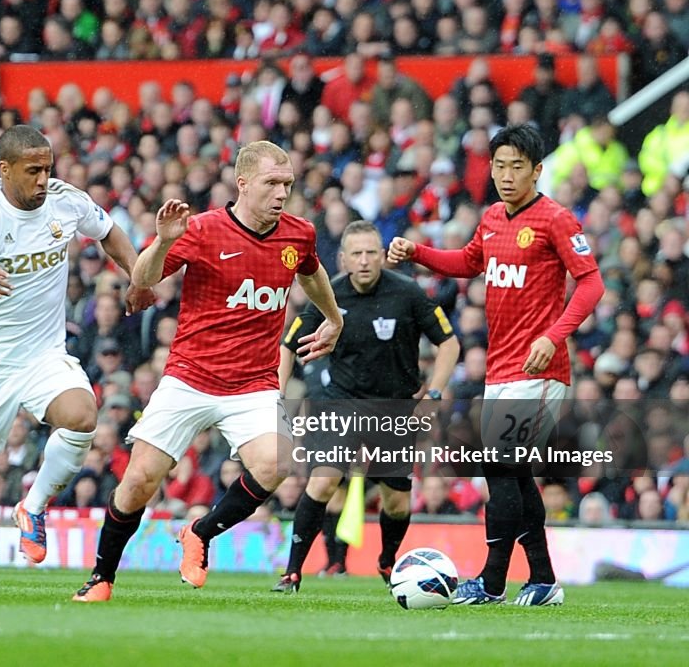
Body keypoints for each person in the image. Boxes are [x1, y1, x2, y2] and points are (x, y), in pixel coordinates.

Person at [72, 141, 344, 603]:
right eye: (272, 184)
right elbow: (142, 280)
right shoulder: (201, 230)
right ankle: (101, 577)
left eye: (288, 185)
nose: (282, 193)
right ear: (242, 183)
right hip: (189, 376)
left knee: (278, 461)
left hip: (253, 383)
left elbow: (311, 272)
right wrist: (162, 241)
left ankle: (200, 532)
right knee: (139, 481)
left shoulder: (298, 234)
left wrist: (334, 318)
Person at [0, 125, 152, 597]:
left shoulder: (66, 200)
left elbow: (108, 232)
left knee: (83, 415)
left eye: (47, 168)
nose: (43, 179)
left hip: (43, 353)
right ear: (5, 170)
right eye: (33, 171)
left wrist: (138, 276)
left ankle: (34, 506)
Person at [388, 124, 604, 606]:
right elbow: (468, 262)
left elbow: (591, 285)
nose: (506, 175)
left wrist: (553, 336)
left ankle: (490, 583)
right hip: (503, 369)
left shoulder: (556, 220)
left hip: (541, 371)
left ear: (537, 170)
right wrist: (416, 251)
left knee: (498, 466)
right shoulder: (491, 217)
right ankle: (544, 580)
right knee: (513, 476)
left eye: (517, 167)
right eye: (499, 165)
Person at [272, 220, 459, 593]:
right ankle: (292, 573)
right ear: (342, 259)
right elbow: (287, 345)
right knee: (323, 482)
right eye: (355, 253)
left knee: (396, 503)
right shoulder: (330, 295)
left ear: (383, 256)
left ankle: (388, 561)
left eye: (371, 252)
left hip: (395, 408)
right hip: (342, 405)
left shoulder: (408, 293)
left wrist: (434, 395)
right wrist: (276, 395)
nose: (363, 261)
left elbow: (449, 344)